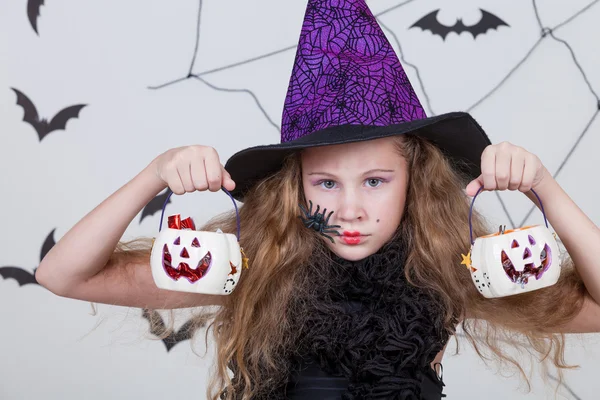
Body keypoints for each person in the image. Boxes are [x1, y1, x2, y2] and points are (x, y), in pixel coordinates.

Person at [36, 1, 600, 399]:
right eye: (326, 182)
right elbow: (63, 275)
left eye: (376, 181)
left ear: (415, 179)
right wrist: (153, 174)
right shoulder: (251, 263)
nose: (351, 209)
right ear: (295, 184)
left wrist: (543, 187)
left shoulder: (447, 269)